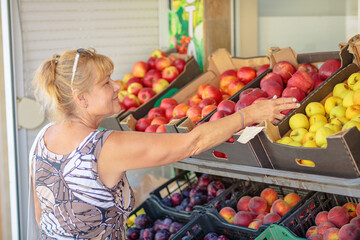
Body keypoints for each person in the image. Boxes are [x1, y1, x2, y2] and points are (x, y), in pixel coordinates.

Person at [28, 47, 299, 239]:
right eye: (105, 82)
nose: (117, 86)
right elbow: (192, 143)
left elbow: (42, 216)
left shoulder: (42, 139)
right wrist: (249, 114)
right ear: (81, 98)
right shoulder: (104, 146)